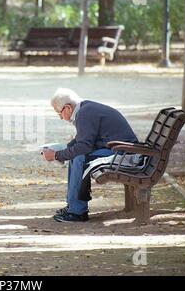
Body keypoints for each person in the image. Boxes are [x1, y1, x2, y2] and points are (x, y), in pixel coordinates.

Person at [43, 88, 138, 222]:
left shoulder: (84, 113)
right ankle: (72, 205)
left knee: (79, 158)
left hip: (124, 153)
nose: (60, 118)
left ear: (68, 108)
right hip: (119, 149)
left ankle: (77, 212)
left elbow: (84, 147)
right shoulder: (86, 109)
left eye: (59, 113)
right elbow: (82, 140)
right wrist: (60, 151)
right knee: (76, 156)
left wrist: (57, 156)